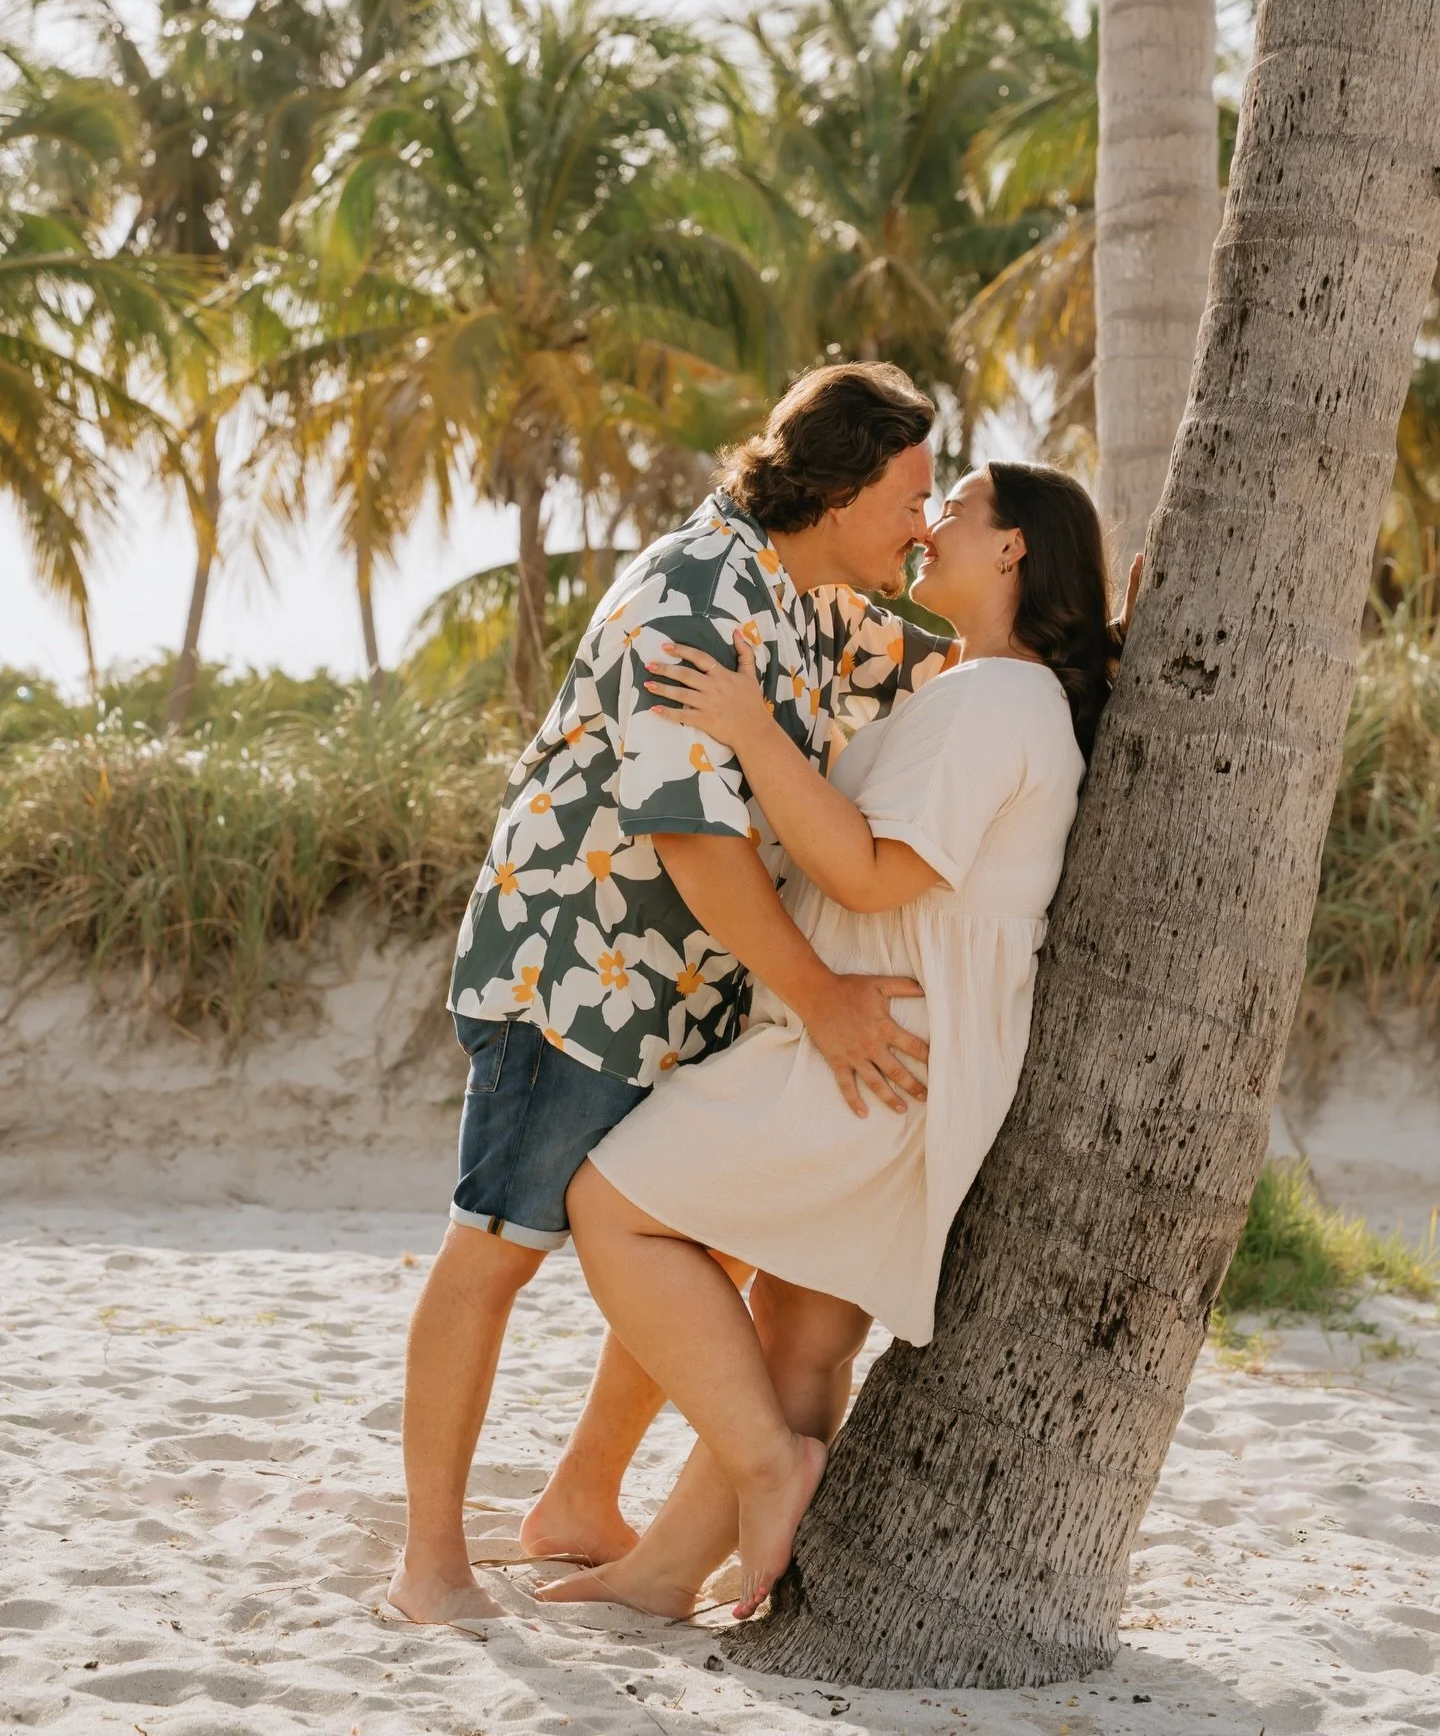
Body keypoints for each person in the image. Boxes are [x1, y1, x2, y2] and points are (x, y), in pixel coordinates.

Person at [387, 362, 963, 1626]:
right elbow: (695, 841)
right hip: (579, 975)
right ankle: (429, 1559)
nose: (922, 525)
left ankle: (579, 1499)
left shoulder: (814, 597)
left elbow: (960, 653)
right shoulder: (697, 594)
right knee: (497, 1249)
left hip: (693, 986)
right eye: (909, 496)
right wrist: (820, 1000)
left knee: (690, 1235)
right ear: (835, 483)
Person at [544, 459, 1120, 1621]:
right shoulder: (979, 688)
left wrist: (752, 728)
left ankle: (772, 1463)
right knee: (801, 1326)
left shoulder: (1000, 701)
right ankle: (668, 1570)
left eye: (949, 510)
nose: (923, 528)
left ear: (1011, 549)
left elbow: (865, 871)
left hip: (880, 1043)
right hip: (897, 1040)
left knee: (614, 1204)